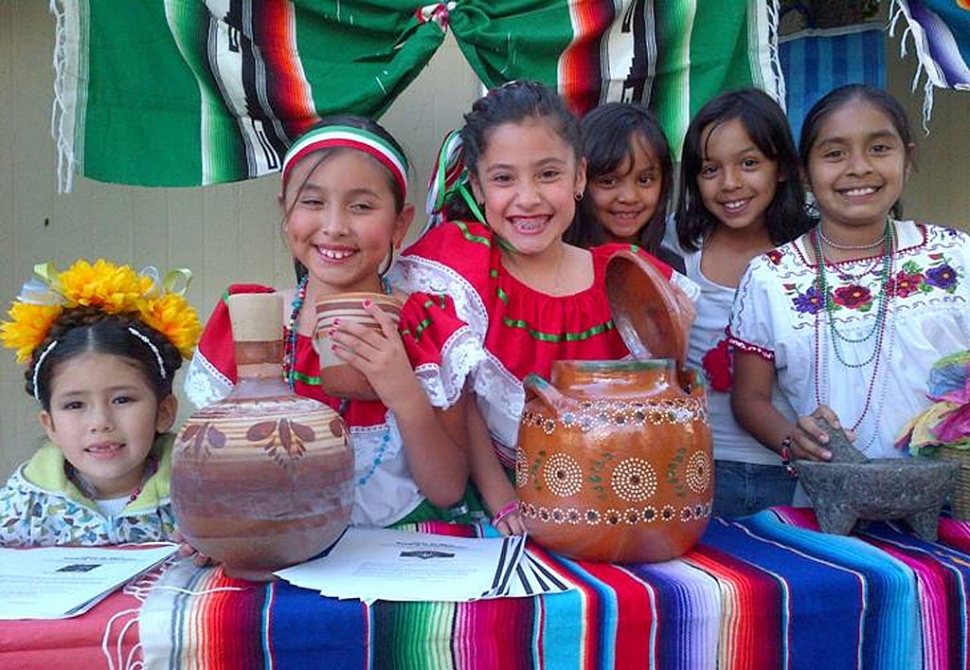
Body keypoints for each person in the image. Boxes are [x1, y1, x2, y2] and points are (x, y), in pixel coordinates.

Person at [390, 81, 698, 534]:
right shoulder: (464, 269)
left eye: (548, 174)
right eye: (503, 178)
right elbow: (466, 405)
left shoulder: (625, 276)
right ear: (476, 184)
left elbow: (656, 402)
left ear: (579, 178)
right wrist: (503, 502)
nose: (528, 197)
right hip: (493, 512)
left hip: (608, 505)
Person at [183, 116, 479, 528]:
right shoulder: (251, 323)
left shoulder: (427, 329)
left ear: (400, 224)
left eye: (361, 206)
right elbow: (215, 471)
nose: (336, 227)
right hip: (280, 544)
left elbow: (446, 488)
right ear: (285, 213)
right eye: (312, 202)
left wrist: (404, 393)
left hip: (404, 544)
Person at [729, 84, 970, 468]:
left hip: (957, 497)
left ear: (907, 159)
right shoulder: (771, 276)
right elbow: (749, 399)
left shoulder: (955, 255)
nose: (858, 167)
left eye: (879, 148)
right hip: (831, 501)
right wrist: (793, 441)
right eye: (834, 154)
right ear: (804, 173)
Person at [663, 88, 812, 517]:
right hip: (694, 469)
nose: (730, 184)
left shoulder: (809, 253)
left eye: (749, 164)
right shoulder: (676, 246)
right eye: (711, 169)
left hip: (790, 472)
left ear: (782, 168)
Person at [0, 259, 200, 546]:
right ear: (50, 424)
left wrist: (222, 547)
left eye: (122, 399)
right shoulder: (22, 509)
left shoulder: (199, 494)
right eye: (74, 405)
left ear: (164, 411)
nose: (100, 423)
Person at [565, 101, 685, 272]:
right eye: (609, 182)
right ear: (579, 179)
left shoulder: (670, 269)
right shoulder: (558, 265)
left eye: (644, 180)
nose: (629, 197)